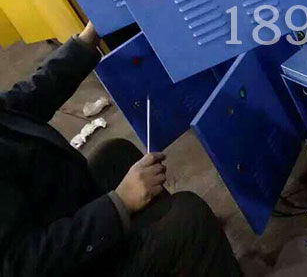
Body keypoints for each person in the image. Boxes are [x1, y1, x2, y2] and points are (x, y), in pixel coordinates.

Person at [0, 23, 241, 276]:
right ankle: (187, 241)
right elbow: (23, 263)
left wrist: (87, 39)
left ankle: (182, 254)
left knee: (115, 156)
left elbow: (29, 97)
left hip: (44, 210)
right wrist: (120, 203)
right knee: (190, 217)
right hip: (60, 263)